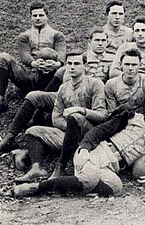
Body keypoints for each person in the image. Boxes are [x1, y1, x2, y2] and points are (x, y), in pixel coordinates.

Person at [12, 96, 145, 197]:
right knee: (90, 178)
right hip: (99, 151)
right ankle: (38, 188)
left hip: (114, 166)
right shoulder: (131, 116)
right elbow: (101, 130)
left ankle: (73, 187)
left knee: (116, 189)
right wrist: (85, 148)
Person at [0, 27, 112, 154]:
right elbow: (62, 74)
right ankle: (10, 137)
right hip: (68, 95)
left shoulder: (112, 60)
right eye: (97, 40)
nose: (100, 43)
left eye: (103, 40)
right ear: (90, 42)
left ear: (107, 42)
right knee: (35, 96)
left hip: (89, 100)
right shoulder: (79, 58)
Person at [14, 51, 107, 182]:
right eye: (69, 63)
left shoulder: (95, 84)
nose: (72, 67)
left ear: (84, 66)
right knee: (32, 131)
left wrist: (81, 110)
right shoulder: (63, 88)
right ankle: (37, 168)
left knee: (75, 116)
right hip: (67, 133)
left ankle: (61, 168)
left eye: (77, 63)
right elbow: (56, 118)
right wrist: (69, 125)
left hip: (87, 134)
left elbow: (102, 115)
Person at [0, 1, 65, 112]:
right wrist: (34, 63)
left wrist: (56, 64)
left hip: (50, 75)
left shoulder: (57, 35)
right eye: (34, 15)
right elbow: (24, 55)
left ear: (47, 16)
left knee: (47, 54)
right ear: (30, 17)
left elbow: (61, 53)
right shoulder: (24, 36)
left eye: (41, 15)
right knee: (3, 57)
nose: (38, 18)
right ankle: (0, 98)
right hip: (29, 75)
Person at [105, 48, 145, 115]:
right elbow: (112, 113)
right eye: (127, 64)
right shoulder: (111, 84)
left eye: (134, 65)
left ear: (140, 65)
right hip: (120, 120)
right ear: (121, 65)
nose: (130, 68)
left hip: (143, 119)